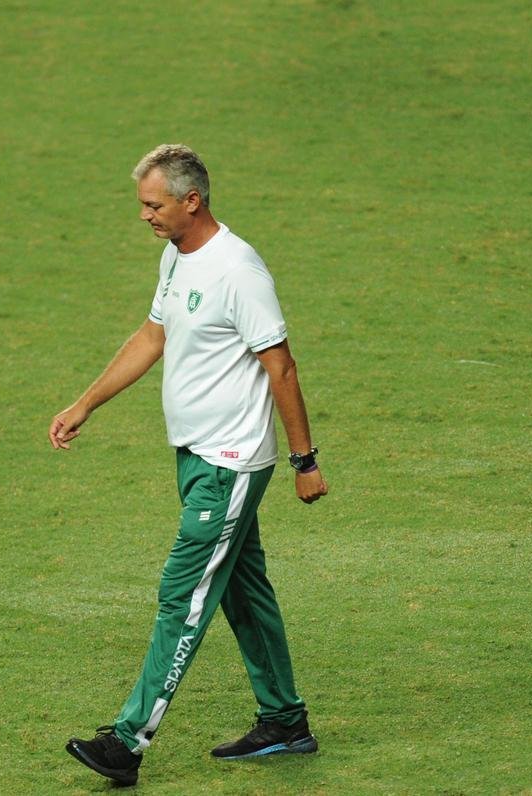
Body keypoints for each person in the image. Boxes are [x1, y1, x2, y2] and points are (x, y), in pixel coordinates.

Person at [49, 144, 328, 787]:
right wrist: (86, 403)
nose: (144, 216)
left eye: (154, 204)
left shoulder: (238, 270)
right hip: (196, 457)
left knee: (185, 592)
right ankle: (285, 721)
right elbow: (154, 335)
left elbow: (279, 364)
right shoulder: (177, 255)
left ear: (191, 200)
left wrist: (304, 461)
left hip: (229, 463)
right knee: (241, 591)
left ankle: (128, 741)